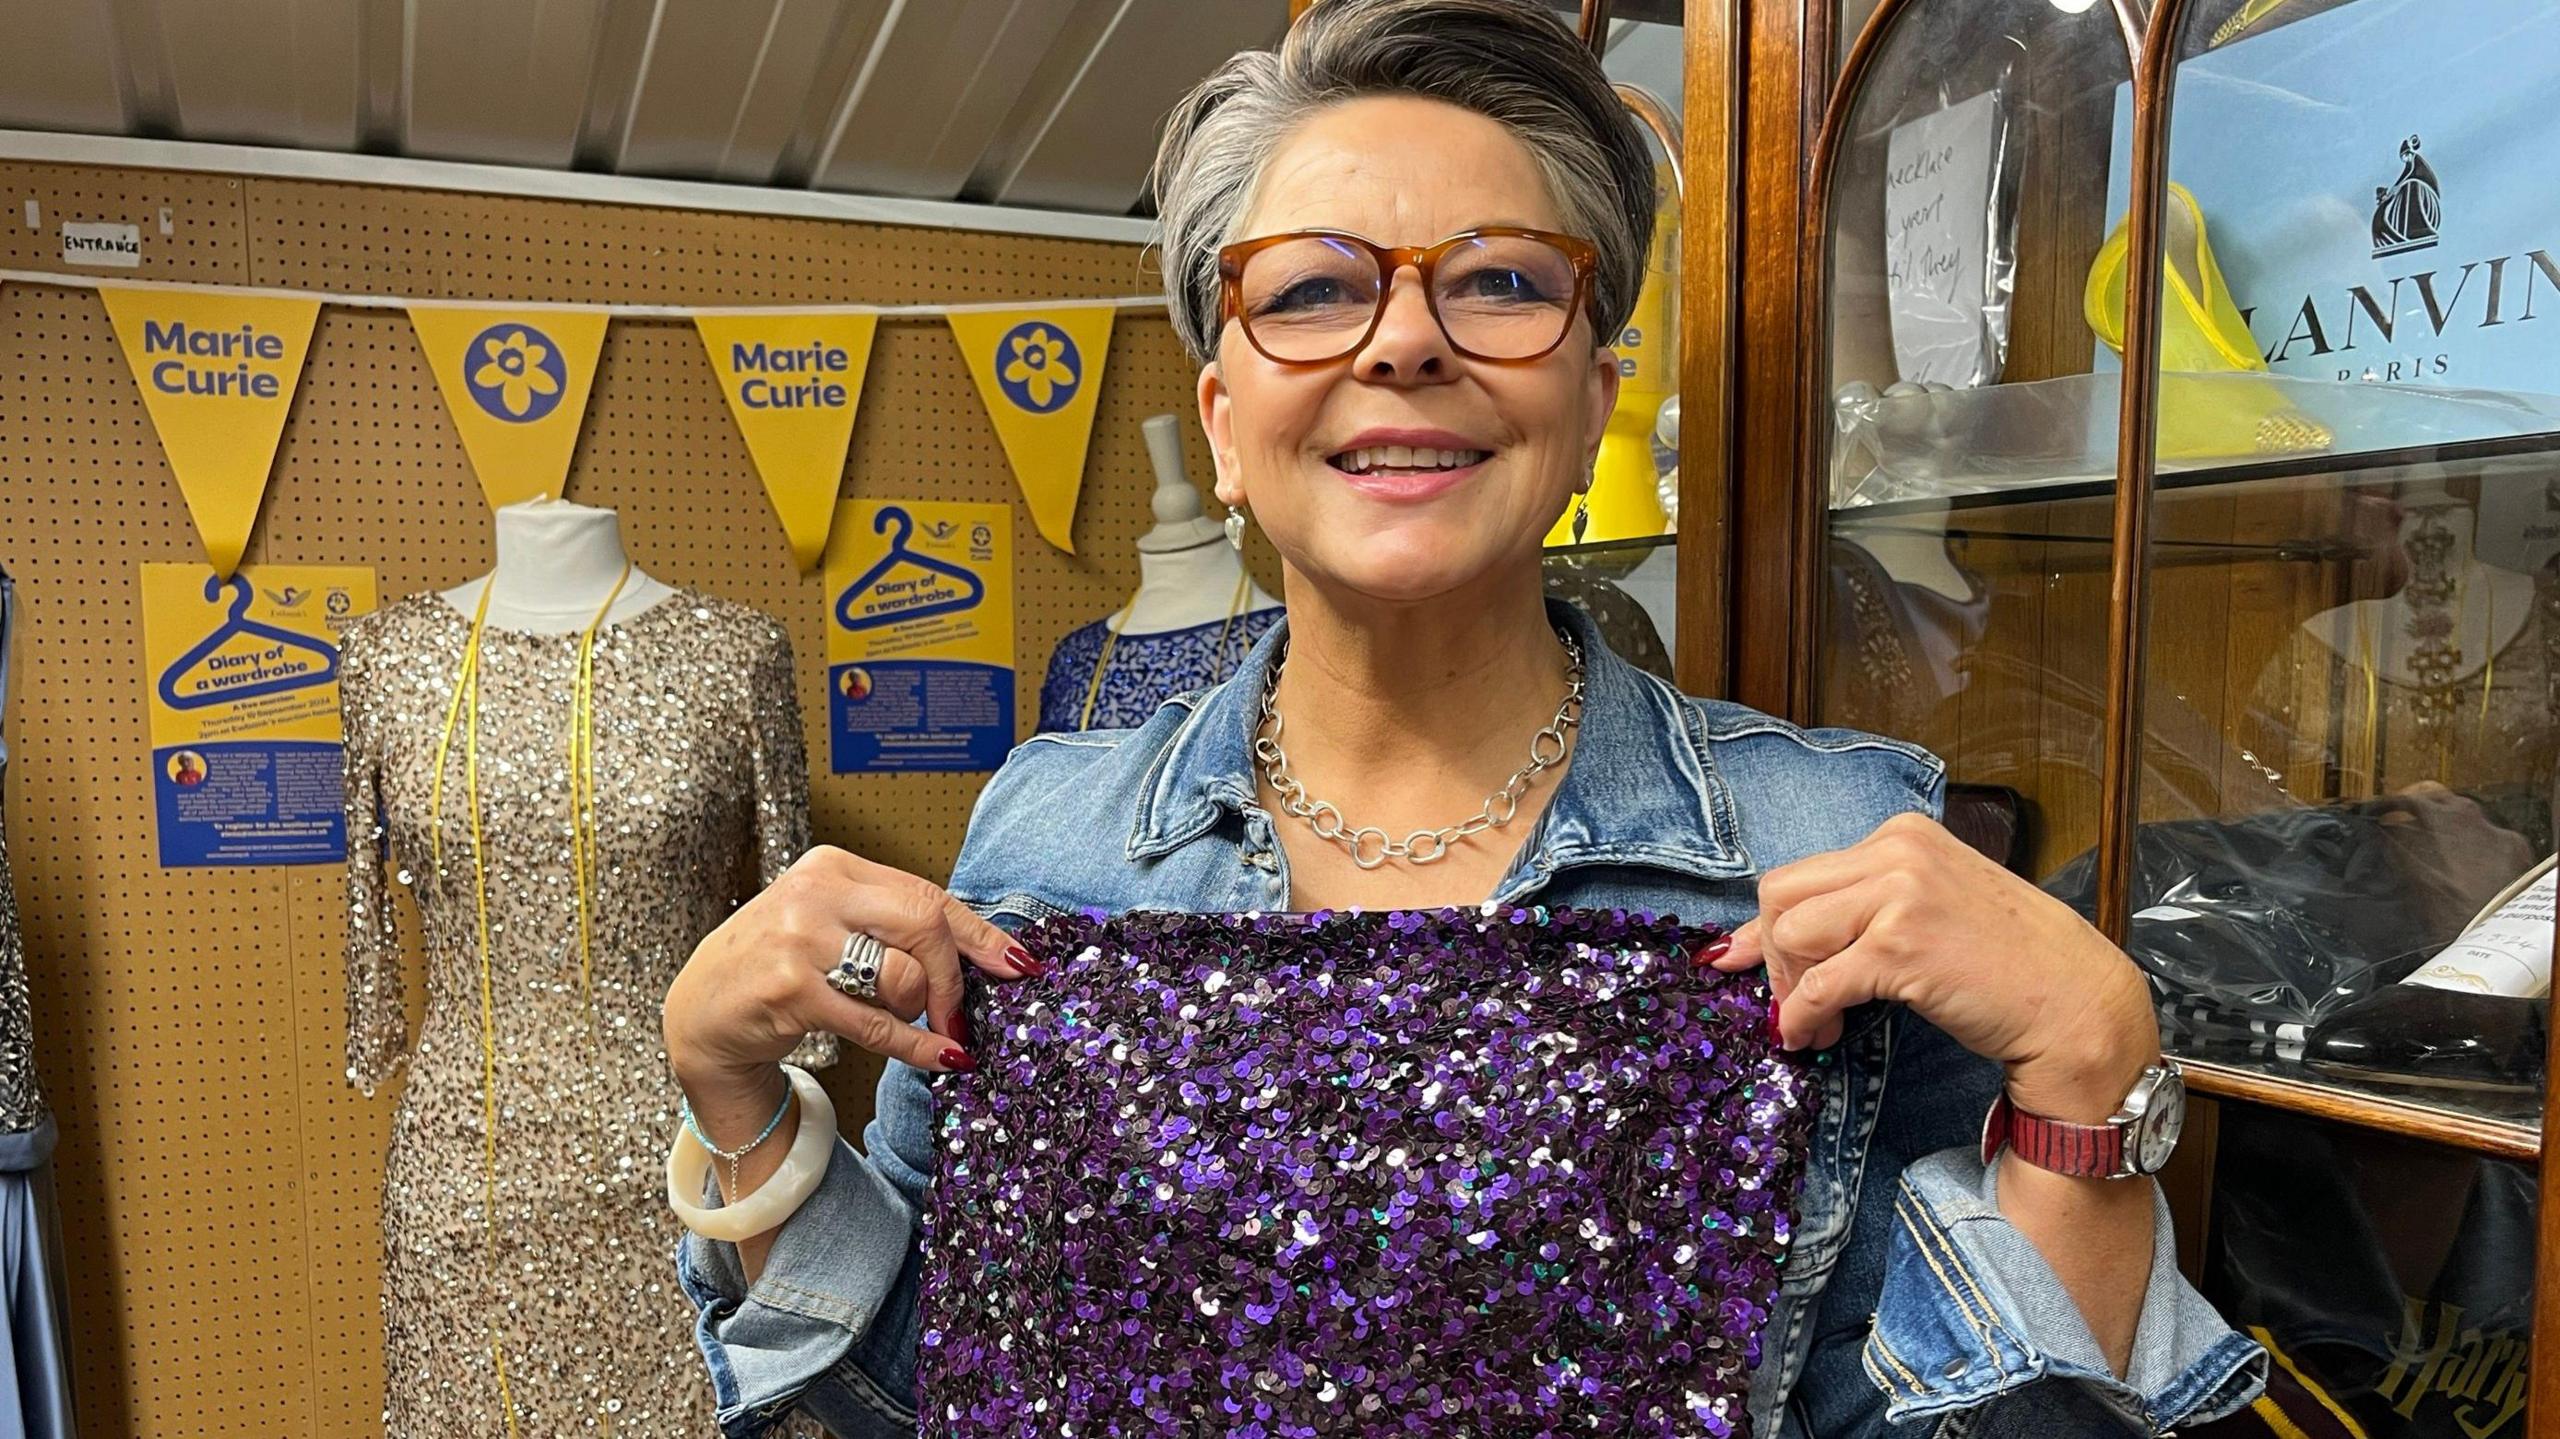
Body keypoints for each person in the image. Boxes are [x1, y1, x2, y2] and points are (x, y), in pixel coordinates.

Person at [660, 2, 2263, 1434]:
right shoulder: (1048, 837)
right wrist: (736, 1106)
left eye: (1501, 282)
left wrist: (2094, 1075)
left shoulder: (1836, 849)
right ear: (1226, 420)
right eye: (1310, 291)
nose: (1407, 339)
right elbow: (929, 1389)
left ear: (1593, 405)